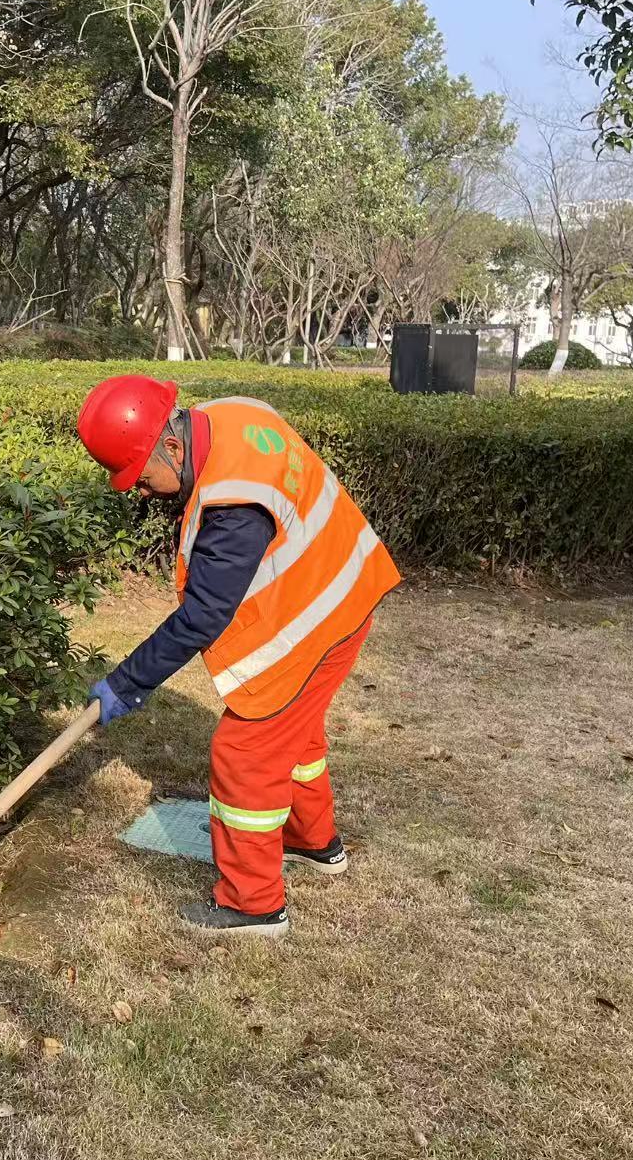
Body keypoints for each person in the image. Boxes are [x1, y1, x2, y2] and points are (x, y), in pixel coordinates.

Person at [77, 375, 400, 939]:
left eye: (143, 478)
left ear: (171, 448)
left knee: (245, 754)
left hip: (317, 618)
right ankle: (312, 840)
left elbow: (203, 615)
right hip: (347, 587)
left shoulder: (235, 503)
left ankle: (252, 904)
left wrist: (128, 684)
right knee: (296, 739)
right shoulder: (227, 416)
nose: (143, 493)